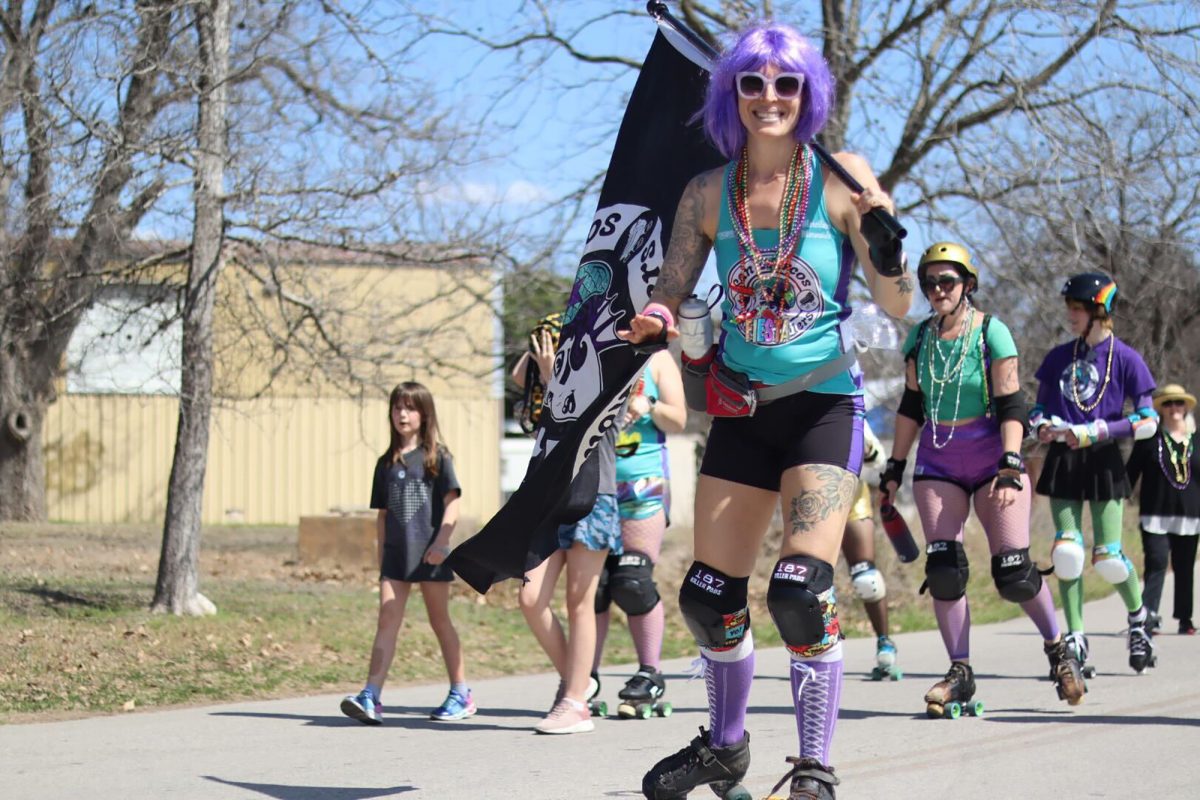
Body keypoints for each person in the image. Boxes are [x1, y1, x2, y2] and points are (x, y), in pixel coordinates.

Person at [620, 23, 913, 800]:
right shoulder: (707, 192)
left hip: (821, 405)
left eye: (786, 83)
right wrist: (656, 317)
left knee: (795, 588)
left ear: (808, 94)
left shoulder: (844, 178)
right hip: (744, 412)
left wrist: (887, 249)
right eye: (753, 83)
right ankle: (725, 747)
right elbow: (672, 287)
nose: (770, 97)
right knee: (707, 597)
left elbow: (898, 302)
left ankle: (815, 762)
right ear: (733, 96)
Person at [882, 242, 1085, 715]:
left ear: (967, 285)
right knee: (943, 569)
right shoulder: (919, 339)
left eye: (947, 281)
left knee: (1013, 572)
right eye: (930, 282)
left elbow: (1012, 404)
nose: (937, 291)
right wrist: (893, 468)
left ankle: (1060, 651)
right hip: (938, 459)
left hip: (993, 455)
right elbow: (911, 407)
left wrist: (1012, 460)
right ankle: (960, 672)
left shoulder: (993, 333)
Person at [1031, 272, 1159, 674]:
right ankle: (1075, 638)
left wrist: (1101, 429)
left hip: (1103, 459)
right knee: (1067, 552)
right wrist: (1043, 427)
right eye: (1069, 309)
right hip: (1065, 460)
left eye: (1077, 310)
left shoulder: (1126, 359)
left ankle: (1139, 620)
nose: (1070, 316)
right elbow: (1036, 408)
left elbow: (1148, 420)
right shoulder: (1058, 358)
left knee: (1107, 557)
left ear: (1099, 311)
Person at [341, 382, 471, 725]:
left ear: (424, 414)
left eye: (410, 408)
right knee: (387, 619)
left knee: (440, 621)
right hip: (397, 558)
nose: (402, 414)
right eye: (398, 407)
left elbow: (452, 504)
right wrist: (382, 558)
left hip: (431, 557)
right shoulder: (386, 463)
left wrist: (442, 542)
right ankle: (371, 695)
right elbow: (382, 515)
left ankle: (461, 692)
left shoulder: (437, 457)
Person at [512, 321, 620, 734]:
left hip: (594, 495)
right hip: (550, 499)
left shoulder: (608, 369)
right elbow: (519, 376)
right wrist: (545, 339)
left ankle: (575, 702)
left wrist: (560, 367)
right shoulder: (549, 373)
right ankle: (581, 680)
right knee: (529, 596)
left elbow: (582, 410)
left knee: (580, 601)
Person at [591, 349, 687, 717]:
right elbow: (525, 379)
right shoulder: (598, 351)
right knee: (595, 586)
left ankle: (650, 673)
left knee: (631, 580)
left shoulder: (659, 360)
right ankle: (587, 677)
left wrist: (649, 404)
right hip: (597, 484)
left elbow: (678, 419)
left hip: (643, 485)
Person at [1126, 383, 1199, 635]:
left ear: (1186, 408)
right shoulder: (1150, 439)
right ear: (1162, 410)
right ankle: (1149, 615)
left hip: (1189, 515)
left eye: (1179, 403)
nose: (1174, 408)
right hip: (1154, 513)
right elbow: (1130, 473)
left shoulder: (1196, 440)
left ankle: (1185, 618)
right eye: (1168, 404)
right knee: (1156, 562)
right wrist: (1118, 496)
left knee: (1184, 566)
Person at [843, 420, 900, 680]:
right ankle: (812, 647)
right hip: (806, 497)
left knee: (867, 578)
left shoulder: (843, 393)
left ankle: (884, 642)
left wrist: (868, 451)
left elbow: (878, 459)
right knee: (805, 579)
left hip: (850, 494)